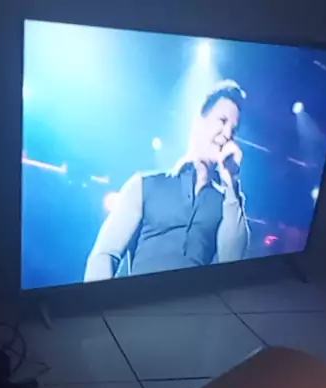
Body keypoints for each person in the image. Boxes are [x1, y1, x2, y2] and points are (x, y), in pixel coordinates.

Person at [84, 80, 250, 281]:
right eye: (222, 121)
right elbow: (105, 254)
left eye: (234, 130)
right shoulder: (145, 184)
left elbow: (233, 261)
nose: (227, 134)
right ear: (200, 121)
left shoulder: (225, 203)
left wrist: (231, 182)